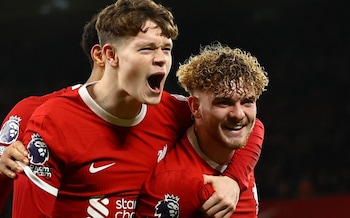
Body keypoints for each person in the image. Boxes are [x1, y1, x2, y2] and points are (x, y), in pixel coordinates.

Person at [7, 1, 262, 217]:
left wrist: (234, 180)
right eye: (147, 48)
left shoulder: (173, 110)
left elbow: (247, 124)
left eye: (166, 49)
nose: (161, 58)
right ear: (109, 56)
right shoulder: (52, 120)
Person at [135, 42, 269, 217]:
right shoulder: (173, 183)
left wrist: (234, 180)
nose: (238, 114)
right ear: (196, 107)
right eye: (224, 102)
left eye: (247, 101)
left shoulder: (240, 146)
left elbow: (257, 125)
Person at [0, 12, 104, 215]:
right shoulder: (32, 112)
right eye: (143, 48)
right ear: (103, 54)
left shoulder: (165, 115)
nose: (158, 58)